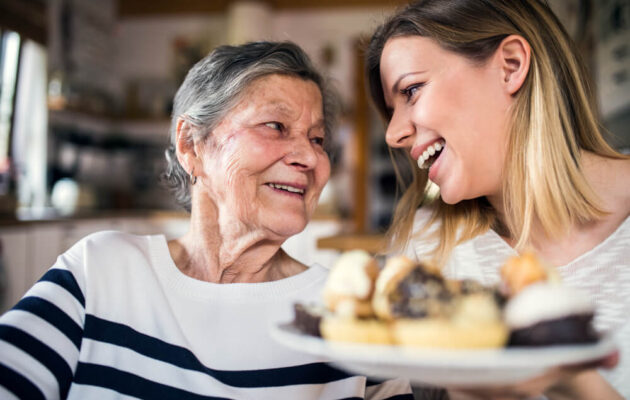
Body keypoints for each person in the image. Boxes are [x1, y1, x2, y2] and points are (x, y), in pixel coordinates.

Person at [0, 41, 413, 400]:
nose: (309, 157)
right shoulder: (100, 271)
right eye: (275, 125)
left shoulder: (349, 311)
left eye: (317, 139)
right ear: (191, 145)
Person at [366, 0, 629, 399]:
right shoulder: (425, 250)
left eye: (412, 90)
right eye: (391, 110)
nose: (393, 134)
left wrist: (574, 382)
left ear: (510, 65)